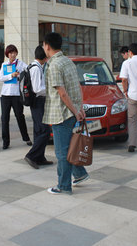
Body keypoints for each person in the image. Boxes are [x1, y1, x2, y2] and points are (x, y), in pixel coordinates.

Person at [43, 32, 89, 194]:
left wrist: (76, 111)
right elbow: (77, 85)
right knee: (70, 147)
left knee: (62, 153)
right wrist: (80, 108)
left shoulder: (54, 65)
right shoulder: (68, 61)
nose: (43, 47)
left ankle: (63, 186)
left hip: (61, 114)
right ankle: (80, 173)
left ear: (47, 46)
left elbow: (62, 93)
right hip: (71, 112)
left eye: (44, 45)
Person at [24, 46, 53, 169]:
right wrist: (50, 90)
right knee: (45, 131)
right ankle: (31, 155)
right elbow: (37, 89)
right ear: (44, 57)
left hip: (36, 102)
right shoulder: (36, 68)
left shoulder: (34, 66)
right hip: (38, 101)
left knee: (38, 130)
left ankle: (39, 157)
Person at [0, 44, 32, 149]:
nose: (12, 54)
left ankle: (26, 138)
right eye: (10, 53)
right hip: (5, 95)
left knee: (20, 117)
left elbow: (28, 73)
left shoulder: (21, 64)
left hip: (17, 95)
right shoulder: (4, 64)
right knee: (5, 118)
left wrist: (19, 76)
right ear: (7, 54)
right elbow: (1, 78)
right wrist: (10, 75)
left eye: (14, 52)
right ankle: (5, 141)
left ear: (16, 53)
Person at [120, 46, 137, 132]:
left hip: (132, 89)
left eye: (123, 55)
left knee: (133, 109)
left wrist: (125, 90)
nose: (123, 57)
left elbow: (124, 79)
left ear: (127, 53)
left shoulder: (127, 63)